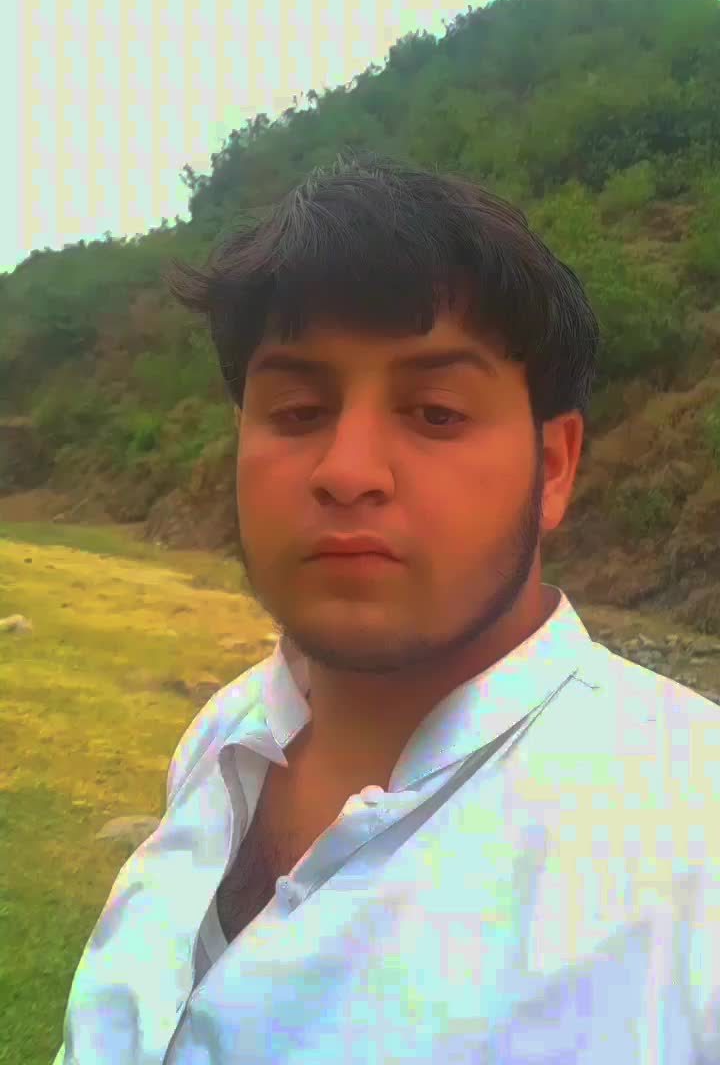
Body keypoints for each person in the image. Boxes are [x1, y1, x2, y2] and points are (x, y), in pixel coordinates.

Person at [54, 151, 720, 1063]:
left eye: (436, 412)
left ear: (554, 467)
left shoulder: (690, 845)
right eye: (297, 410)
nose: (347, 471)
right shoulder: (226, 739)